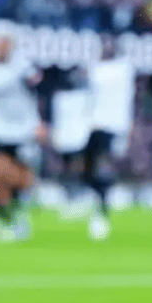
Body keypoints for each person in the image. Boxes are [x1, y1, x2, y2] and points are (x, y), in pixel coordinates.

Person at [0, 30, 43, 242]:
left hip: (23, 131)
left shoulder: (21, 66)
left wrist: (40, 121)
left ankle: (17, 216)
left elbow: (37, 82)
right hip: (1, 131)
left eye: (3, 43)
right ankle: (7, 217)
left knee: (17, 176)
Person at [83, 37, 135, 241]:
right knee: (88, 168)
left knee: (103, 166)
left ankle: (102, 208)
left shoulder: (122, 69)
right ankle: (98, 199)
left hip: (113, 126)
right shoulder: (97, 69)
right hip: (93, 125)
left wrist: (127, 129)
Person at [39, 64, 93, 222]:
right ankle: (70, 196)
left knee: (77, 167)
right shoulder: (61, 98)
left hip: (77, 138)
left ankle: (78, 196)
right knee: (68, 168)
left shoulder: (80, 96)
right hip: (66, 139)